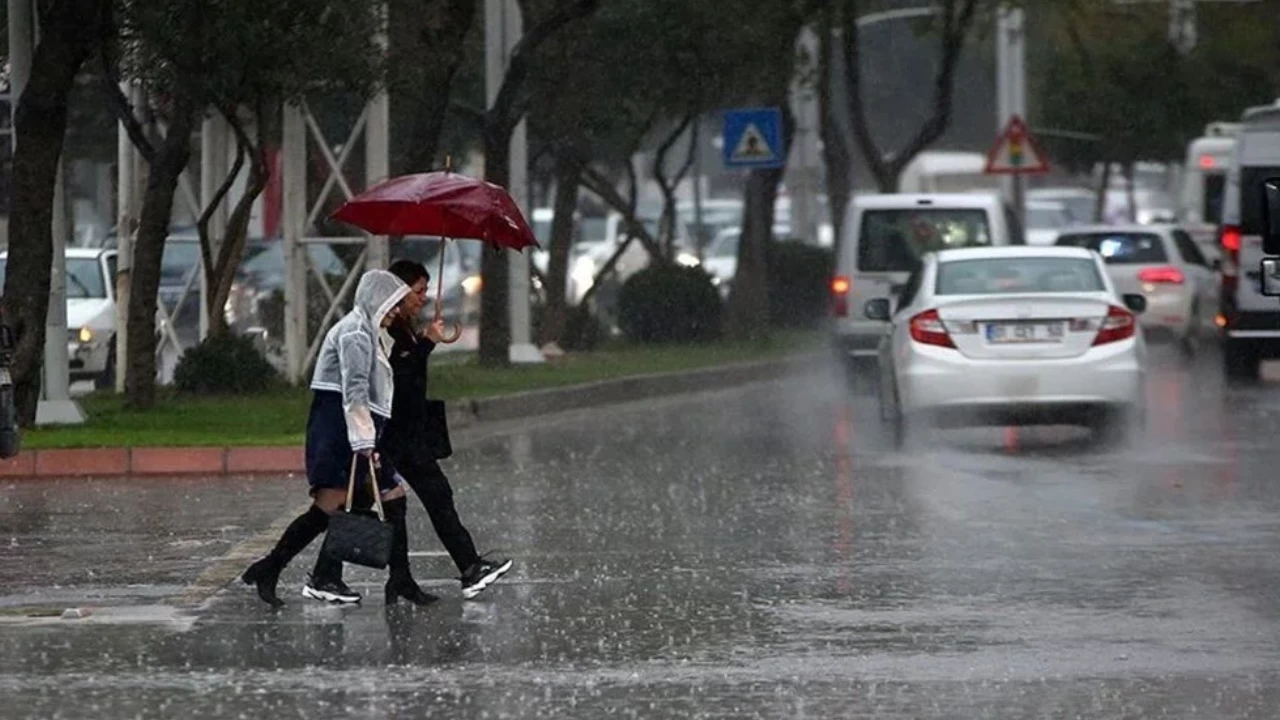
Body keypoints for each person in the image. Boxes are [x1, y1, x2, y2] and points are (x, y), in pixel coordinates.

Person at [241, 269, 436, 607]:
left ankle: (397, 579)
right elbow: (355, 392)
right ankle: (276, 567)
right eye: (390, 304)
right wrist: (365, 444)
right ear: (374, 300)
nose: (394, 311)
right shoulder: (355, 334)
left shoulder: (370, 332)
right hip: (340, 432)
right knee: (328, 508)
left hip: (356, 430)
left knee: (392, 498)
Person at [384, 258, 513, 599]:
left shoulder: (403, 327)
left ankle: (402, 579)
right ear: (398, 291)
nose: (423, 297)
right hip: (398, 435)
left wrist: (425, 341)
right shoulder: (388, 329)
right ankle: (468, 567)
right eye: (418, 291)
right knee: (428, 499)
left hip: (407, 433)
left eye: (426, 290)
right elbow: (400, 380)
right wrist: (425, 344)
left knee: (403, 506)